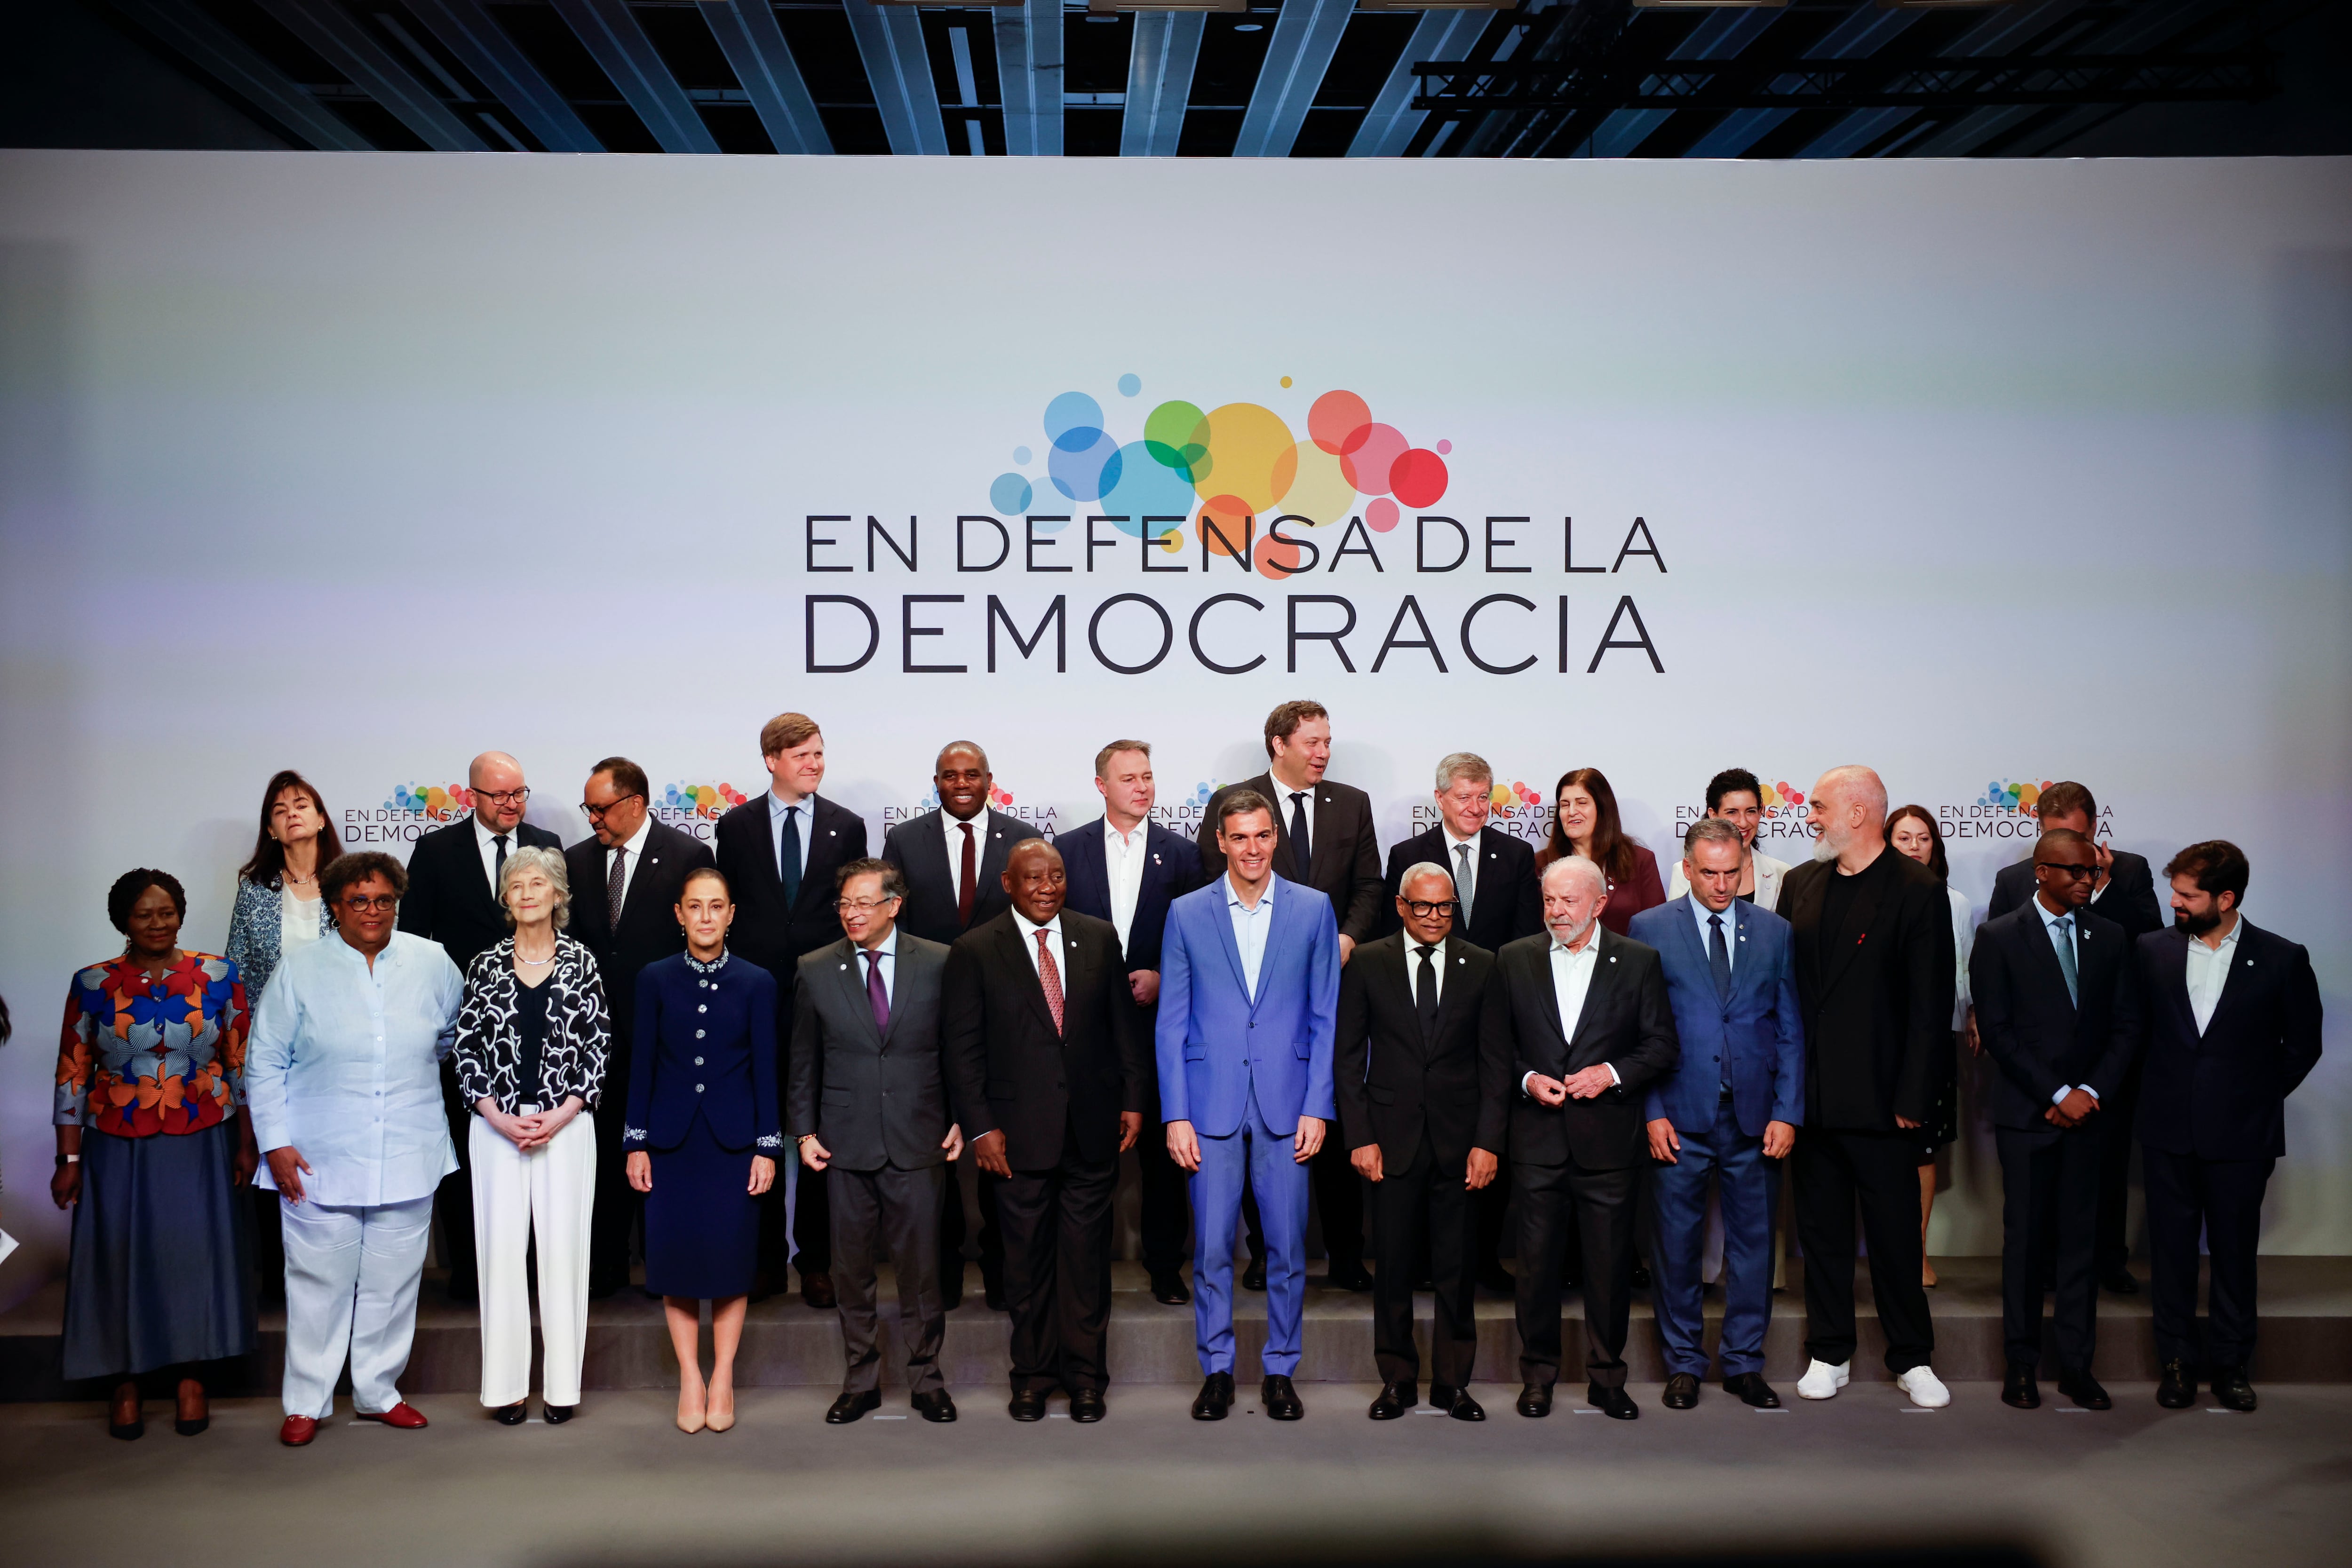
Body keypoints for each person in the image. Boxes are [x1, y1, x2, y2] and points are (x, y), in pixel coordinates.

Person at [248, 852, 464, 1447]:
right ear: (335, 907)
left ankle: (377, 1392)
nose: (373, 911)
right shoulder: (300, 968)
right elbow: (264, 1060)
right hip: (318, 1155)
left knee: (393, 1285)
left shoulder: (432, 961)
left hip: (409, 1147)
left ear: (398, 902)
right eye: (359, 900)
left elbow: (451, 1036)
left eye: (384, 900)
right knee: (317, 1284)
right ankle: (306, 1402)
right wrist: (275, 1144)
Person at [945, 841, 1144, 1423]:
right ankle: (1032, 1378)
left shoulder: (1097, 937)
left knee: (1085, 1265)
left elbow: (1123, 1028)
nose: (1047, 887)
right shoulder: (975, 949)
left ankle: (1085, 1380)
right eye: (1033, 878)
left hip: (1091, 1130)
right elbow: (962, 1051)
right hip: (1014, 1139)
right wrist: (980, 1127)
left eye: (1055, 876)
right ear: (1008, 883)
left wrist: (1134, 1100)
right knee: (1026, 1267)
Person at [53, 870, 255, 1440]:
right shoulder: (93, 982)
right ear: (123, 921)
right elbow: (72, 1071)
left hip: (203, 1133)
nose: (158, 923)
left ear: (180, 914)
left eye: (167, 912)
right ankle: (125, 1382)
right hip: (116, 1139)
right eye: (144, 914)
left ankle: (192, 1378)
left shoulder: (219, 975)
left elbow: (240, 1063)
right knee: (121, 1259)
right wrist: (68, 1159)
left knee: (194, 1257)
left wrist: (247, 1143)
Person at [1161, 790, 1340, 1421]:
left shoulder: (1313, 908)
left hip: (1288, 1104)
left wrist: (1318, 1105)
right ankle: (1216, 1369)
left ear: (1275, 837)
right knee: (1212, 1248)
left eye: (1262, 835)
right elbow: (1171, 1020)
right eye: (1239, 837)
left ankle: (1280, 1370)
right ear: (1220, 841)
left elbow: (1325, 1015)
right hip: (1208, 1104)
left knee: (1287, 1249)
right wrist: (1175, 1114)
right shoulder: (1186, 912)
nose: (1252, 848)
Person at [1481, 855, 1679, 1422]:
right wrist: (1527, 1079)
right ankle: (1537, 1377)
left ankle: (1607, 1379)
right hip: (1537, 1142)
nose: (1556, 911)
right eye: (1549, 900)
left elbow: (1660, 1045)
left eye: (1568, 901)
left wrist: (1609, 1073)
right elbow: (1495, 1049)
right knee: (1535, 1269)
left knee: (1609, 1270)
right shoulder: (1512, 958)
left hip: (1608, 1144)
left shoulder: (1637, 960)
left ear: (1599, 903)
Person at [1782, 767, 1955, 1409]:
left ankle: (1912, 1357)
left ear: (1857, 813)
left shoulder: (1916, 888)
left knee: (1894, 1238)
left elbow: (1930, 1004)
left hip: (1886, 1105)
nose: (1810, 816)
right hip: (1812, 1099)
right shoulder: (1801, 882)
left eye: (1819, 806)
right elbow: (1785, 991)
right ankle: (1830, 1351)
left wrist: (1914, 1098)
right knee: (1821, 1236)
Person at [1198, 701, 1382, 1294]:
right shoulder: (1236, 802)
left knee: (1330, 1112)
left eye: (1327, 741)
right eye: (1312, 742)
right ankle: (1265, 1251)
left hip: (1334, 986)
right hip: (1257, 997)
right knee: (1264, 1120)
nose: (1323, 752)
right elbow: (1212, 891)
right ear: (1278, 744)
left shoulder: (1351, 803)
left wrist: (1345, 938)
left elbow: (1369, 886)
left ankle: (1346, 1253)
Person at [2134, 840, 2322, 1412]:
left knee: (2234, 1254)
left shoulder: (2281, 957)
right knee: (2169, 1254)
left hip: (2241, 1135)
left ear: (2225, 898)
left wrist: (2253, 1097)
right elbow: (2131, 1033)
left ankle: (2231, 1364)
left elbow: (2303, 1044)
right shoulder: (2149, 950)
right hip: (2167, 1131)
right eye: (2174, 891)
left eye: (2186, 895)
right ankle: (2175, 1363)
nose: (2174, 902)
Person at [1630, 819, 1803, 1412]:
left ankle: (1743, 1364)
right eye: (1709, 873)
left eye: (1732, 872)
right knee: (1675, 1246)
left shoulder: (1775, 931)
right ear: (1687, 868)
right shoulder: (1649, 927)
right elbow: (1638, 1031)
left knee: (1753, 1248)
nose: (1721, 884)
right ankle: (1682, 1364)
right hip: (1677, 1116)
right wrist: (1651, 1112)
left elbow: (1789, 1030)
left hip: (1754, 1117)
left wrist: (1787, 1112)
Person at [1969, 829, 2140, 1413]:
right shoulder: (1997, 936)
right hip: (2027, 1116)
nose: (2086, 881)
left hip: (2089, 1116)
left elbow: (2126, 1026)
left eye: (2091, 871)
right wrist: (2057, 1092)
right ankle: (2020, 1364)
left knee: (2080, 1245)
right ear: (2040, 871)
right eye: (2074, 871)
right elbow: (1997, 1031)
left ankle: (2075, 1366)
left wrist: (2087, 1092)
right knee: (2023, 1244)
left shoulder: (2109, 936)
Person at [790, 858, 963, 1425]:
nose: (851, 913)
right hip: (844, 1141)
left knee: (921, 1271)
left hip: (920, 1136)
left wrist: (961, 1118)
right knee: (850, 1272)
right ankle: (859, 1381)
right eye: (844, 903)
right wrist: (804, 1130)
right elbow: (803, 1058)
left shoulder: (938, 961)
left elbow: (957, 1051)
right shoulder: (815, 967)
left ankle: (926, 1380)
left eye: (863, 903)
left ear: (894, 905)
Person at [1335, 863, 1500, 1422]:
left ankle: (1453, 1384)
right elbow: (1347, 1056)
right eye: (1423, 906)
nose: (1434, 917)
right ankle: (1397, 1380)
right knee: (1393, 1269)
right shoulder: (1368, 961)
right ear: (1401, 906)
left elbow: (1495, 1063)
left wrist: (1487, 1142)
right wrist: (1359, 1136)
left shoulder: (1482, 964)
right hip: (1389, 1142)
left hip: (1461, 1144)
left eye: (1445, 906)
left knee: (1457, 1270)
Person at [452, 847, 610, 1425]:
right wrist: (495, 1115)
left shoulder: (582, 962)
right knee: (500, 1256)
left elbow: (598, 1047)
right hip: (496, 1129)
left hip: (565, 1128)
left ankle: (561, 1387)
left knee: (563, 1254)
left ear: (558, 895)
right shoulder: (485, 965)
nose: (525, 893)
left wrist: (563, 1112)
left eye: (537, 883)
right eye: (515, 885)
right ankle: (507, 1388)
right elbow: (465, 1048)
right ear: (505, 897)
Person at [1986, 781, 2164, 1297]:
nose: (2076, 861)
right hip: (2037, 1065)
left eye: (2080, 836)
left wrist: (2102, 888)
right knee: (2037, 1188)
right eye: (2056, 834)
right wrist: (2055, 1090)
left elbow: (2150, 940)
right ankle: (2045, 1267)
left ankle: (2107, 1259)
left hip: (2103, 1053)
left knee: (2106, 1163)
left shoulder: (2128, 870)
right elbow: (1998, 964)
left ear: (2095, 828)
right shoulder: (2013, 879)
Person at [714, 712, 865, 1309]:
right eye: (801, 754)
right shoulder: (736, 825)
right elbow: (729, 910)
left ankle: (817, 1261)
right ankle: (763, 1260)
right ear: (771, 760)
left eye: (819, 753)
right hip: (753, 1000)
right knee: (762, 1127)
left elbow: (853, 913)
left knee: (819, 1130)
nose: (814, 764)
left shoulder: (846, 826)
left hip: (826, 997)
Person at [397, 751, 560, 1305]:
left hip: (538, 1029)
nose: (512, 804)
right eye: (500, 795)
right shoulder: (436, 851)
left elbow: (563, 929)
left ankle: (532, 1270)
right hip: (463, 1032)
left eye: (519, 793)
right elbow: (413, 939)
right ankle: (472, 1269)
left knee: (534, 1148)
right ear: (473, 796)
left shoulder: (547, 843)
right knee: (470, 1153)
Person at [883, 740, 1041, 1310]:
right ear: (936, 782)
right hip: (924, 1011)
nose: (961, 783)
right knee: (935, 1147)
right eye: (950, 775)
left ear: (989, 780)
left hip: (1003, 1016)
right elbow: (894, 922)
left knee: (1001, 1144)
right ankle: (942, 1273)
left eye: (972, 774)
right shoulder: (905, 840)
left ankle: (1004, 1273)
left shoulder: (1021, 837)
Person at [624, 866, 781, 1435]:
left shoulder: (757, 981)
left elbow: (767, 1069)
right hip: (670, 1144)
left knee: (730, 1264)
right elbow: (641, 1064)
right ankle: (691, 1376)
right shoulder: (654, 978)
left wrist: (767, 1147)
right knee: (677, 1262)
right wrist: (636, 1141)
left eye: (716, 906)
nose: (706, 916)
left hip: (733, 1144)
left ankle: (724, 1376)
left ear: (731, 913)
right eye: (695, 906)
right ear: (679, 914)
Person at [1379, 752, 1542, 1298]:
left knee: (1486, 1135)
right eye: (1463, 797)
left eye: (1482, 797)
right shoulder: (1408, 855)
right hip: (1425, 1016)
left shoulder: (1515, 854)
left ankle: (1482, 1259)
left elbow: (1525, 939)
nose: (1474, 807)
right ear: (1440, 799)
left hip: (1493, 1014)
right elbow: (1391, 937)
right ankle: (1425, 1261)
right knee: (1426, 1143)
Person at [1058, 739, 1206, 1306]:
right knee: (1086, 1153)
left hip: (1158, 1026)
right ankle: (1084, 1268)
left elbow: (1201, 938)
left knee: (1164, 1159)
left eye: (1147, 776)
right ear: (1101, 785)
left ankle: (1165, 1265)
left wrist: (1164, 978)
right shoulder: (1066, 849)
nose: (1142, 787)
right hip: (1084, 1031)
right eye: (1128, 778)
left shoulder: (1183, 853)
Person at [564, 756, 714, 1298]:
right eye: (588, 808)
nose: (592, 818)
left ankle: (664, 1268)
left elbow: (701, 946)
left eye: (600, 808)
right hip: (594, 1040)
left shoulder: (687, 856)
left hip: (665, 1036)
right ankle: (605, 1267)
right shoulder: (575, 860)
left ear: (634, 803)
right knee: (604, 1157)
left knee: (664, 1155)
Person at [224, 771, 342, 1300]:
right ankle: (280, 1281)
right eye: (279, 809)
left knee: (330, 1158)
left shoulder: (351, 885)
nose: (292, 813)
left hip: (338, 1047)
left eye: (301, 804)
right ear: (271, 830)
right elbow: (238, 973)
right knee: (275, 1155)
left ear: (320, 818)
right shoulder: (255, 890)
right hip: (274, 1049)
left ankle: (337, 1274)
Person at [1888, 804, 1972, 1289]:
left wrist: (1969, 1018)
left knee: (1922, 1152)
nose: (1914, 846)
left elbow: (1962, 972)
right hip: (1877, 1043)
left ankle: (1917, 1252)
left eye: (1923, 838)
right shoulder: (1871, 897)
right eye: (1904, 838)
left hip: (1933, 1042)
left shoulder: (1954, 902)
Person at [1536, 767, 1666, 937]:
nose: (1572, 812)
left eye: (1582, 803)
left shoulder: (1639, 860)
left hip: (1626, 954)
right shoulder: (1541, 864)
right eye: (1565, 805)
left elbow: (1657, 928)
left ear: (1602, 808)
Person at [1665, 768, 1794, 911]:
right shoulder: (1684, 872)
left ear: (1760, 812)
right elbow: (1678, 920)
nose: (1743, 822)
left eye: (1751, 811)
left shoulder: (1781, 872)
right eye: (1732, 812)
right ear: (1713, 815)